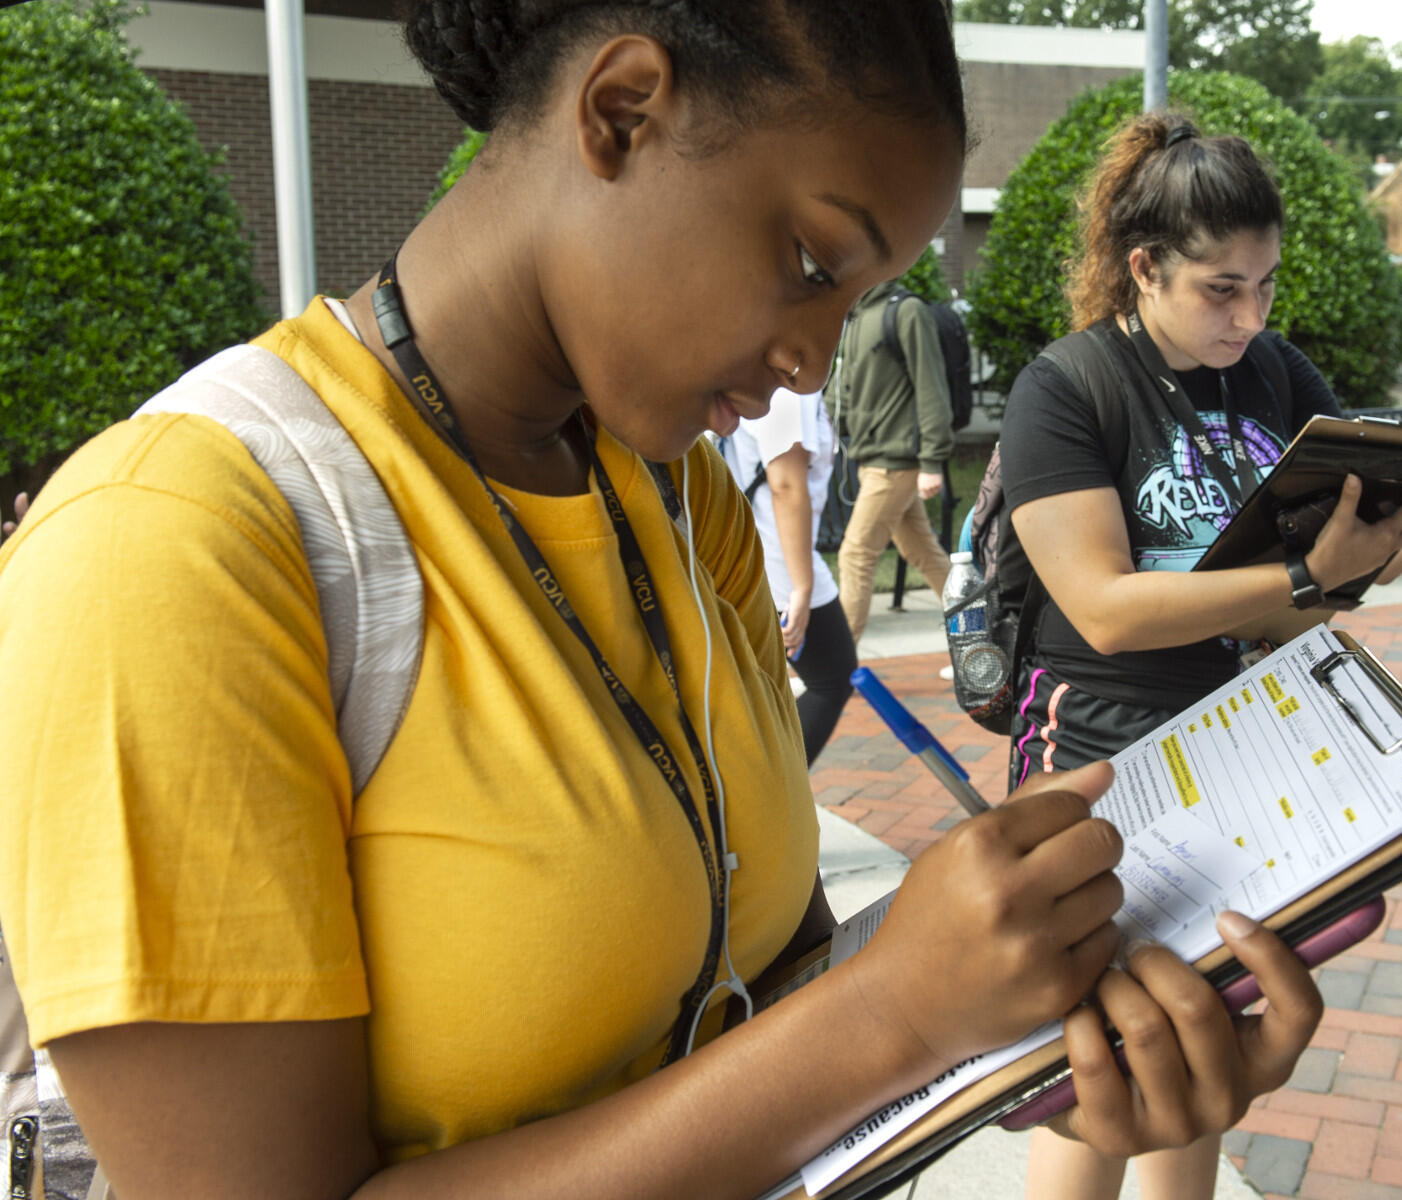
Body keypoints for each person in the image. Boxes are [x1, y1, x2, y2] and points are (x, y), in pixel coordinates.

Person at [0, 6, 1330, 1198]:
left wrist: (1029, 1018)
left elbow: (754, 999)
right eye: (814, 261)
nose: (814, 354)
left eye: (859, 298)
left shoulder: (679, 498)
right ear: (622, 109)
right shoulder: (176, 547)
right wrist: (894, 1016)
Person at [998, 112, 1402, 1200]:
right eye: (1223, 288)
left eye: (1265, 284)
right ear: (1145, 267)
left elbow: (1342, 568)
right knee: (1102, 1047)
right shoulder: (1070, 386)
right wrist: (1316, 581)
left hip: (1252, 735)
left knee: (1207, 1024)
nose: (1252, 313)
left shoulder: (1273, 373)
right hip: (1104, 747)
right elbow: (1105, 610)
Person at [717, 388, 856, 765]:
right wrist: (802, 587)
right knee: (832, 678)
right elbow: (786, 484)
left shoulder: (756, 364)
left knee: (755, 686)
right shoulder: (789, 385)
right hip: (777, 559)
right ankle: (768, 797)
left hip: (758, 549)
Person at [830, 278, 955, 641]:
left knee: (855, 553)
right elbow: (844, 392)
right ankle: (983, 640)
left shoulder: (906, 311)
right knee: (925, 554)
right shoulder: (856, 316)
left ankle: (837, 669)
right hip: (872, 459)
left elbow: (932, 387)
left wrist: (932, 460)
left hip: (896, 463)